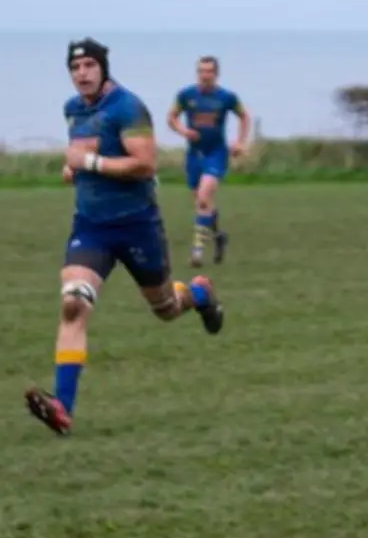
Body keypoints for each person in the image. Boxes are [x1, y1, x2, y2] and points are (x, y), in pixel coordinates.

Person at [24, 38, 225, 436]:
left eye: (88, 66)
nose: (81, 73)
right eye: (75, 67)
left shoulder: (128, 107)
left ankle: (200, 294)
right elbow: (82, 152)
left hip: (136, 224)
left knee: (166, 308)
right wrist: (75, 170)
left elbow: (145, 164)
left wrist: (90, 163)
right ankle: (62, 407)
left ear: (103, 68)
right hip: (91, 226)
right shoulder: (73, 109)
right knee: (72, 304)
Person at [167, 56, 251, 266]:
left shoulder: (226, 97)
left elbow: (244, 116)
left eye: (209, 71)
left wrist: (240, 142)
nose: (205, 75)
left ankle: (197, 252)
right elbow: (171, 117)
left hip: (216, 153)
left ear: (216, 74)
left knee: (204, 197)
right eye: (201, 71)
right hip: (194, 155)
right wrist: (183, 130)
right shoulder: (186, 95)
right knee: (202, 202)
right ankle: (218, 236)